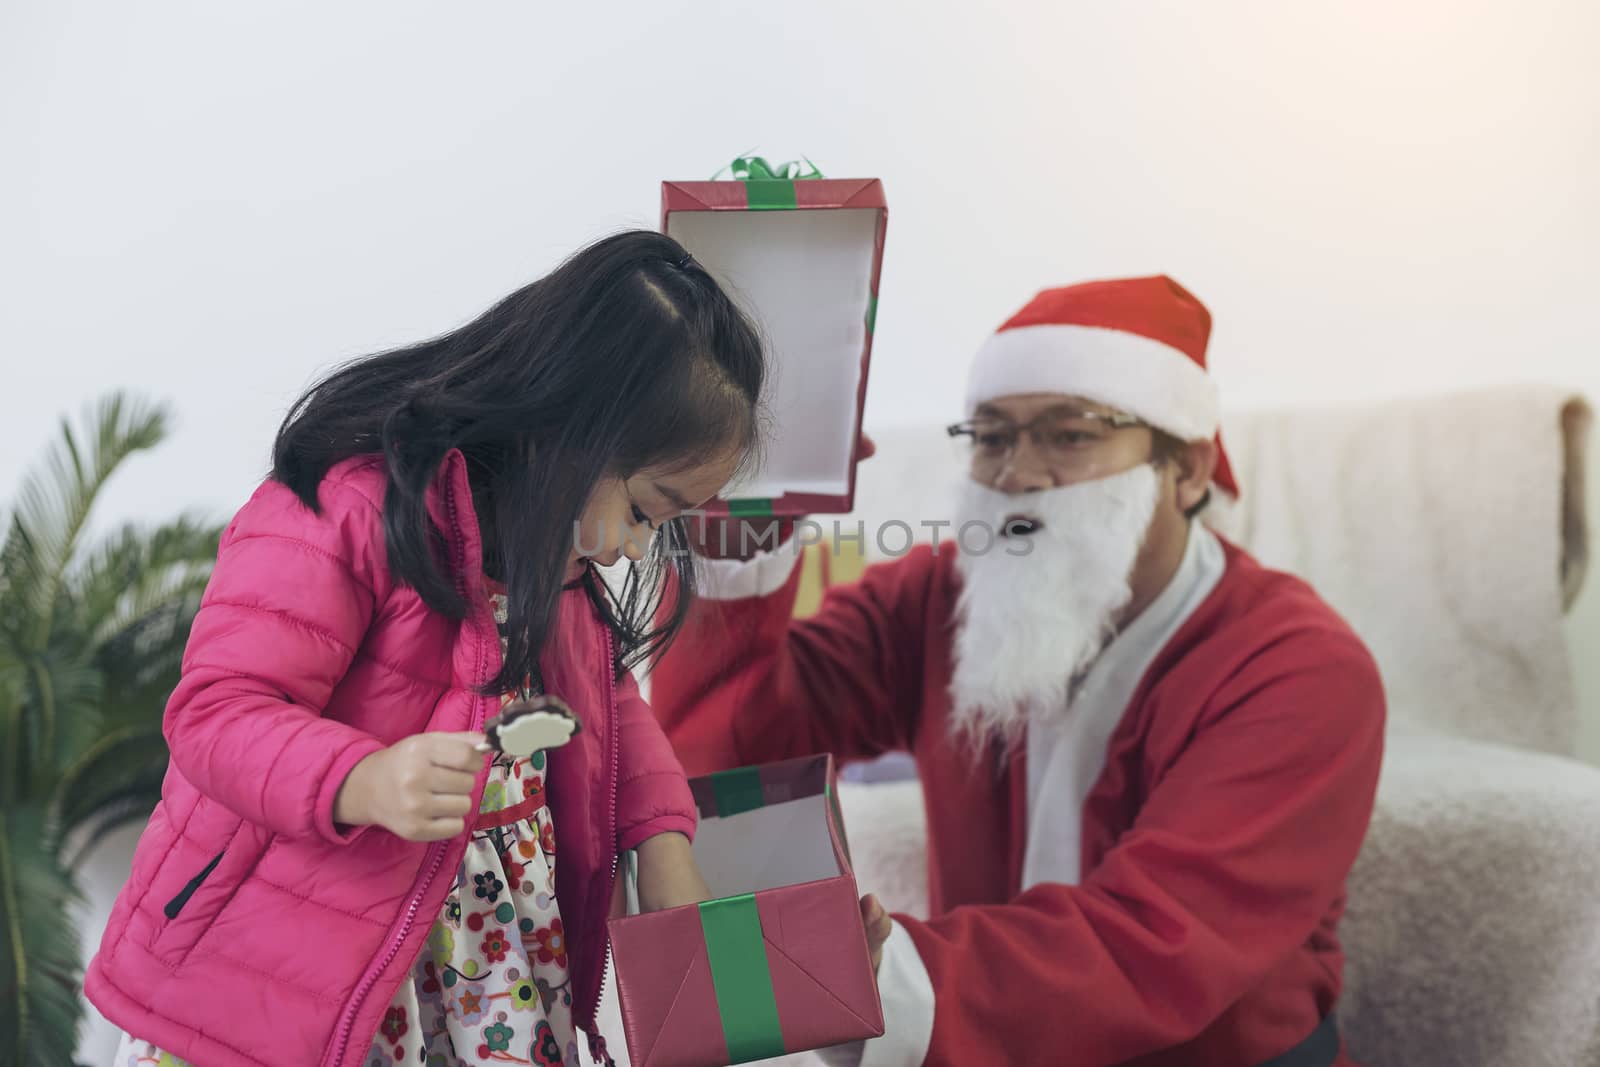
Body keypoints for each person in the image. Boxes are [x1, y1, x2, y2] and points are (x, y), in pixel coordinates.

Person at [651, 276, 1386, 1066]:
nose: (1018, 474)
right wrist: (746, 517)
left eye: (1071, 435)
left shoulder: (1299, 667)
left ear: (1190, 468)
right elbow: (734, 744)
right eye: (993, 437)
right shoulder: (943, 596)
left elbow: (1162, 939)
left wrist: (879, 973)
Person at [86, 231, 766, 1067]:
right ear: (570, 431)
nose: (633, 547)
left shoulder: (549, 564)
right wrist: (362, 778)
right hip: (295, 976)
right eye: (642, 508)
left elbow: (606, 707)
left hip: (490, 972)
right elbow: (215, 713)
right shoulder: (351, 504)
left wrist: (662, 846)